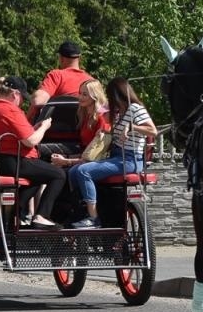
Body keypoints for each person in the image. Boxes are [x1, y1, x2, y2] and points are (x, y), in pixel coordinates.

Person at [66, 78, 159, 229]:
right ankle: (82, 211)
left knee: (83, 171)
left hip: (129, 159)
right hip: (117, 156)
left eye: (110, 95)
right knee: (73, 171)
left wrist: (131, 126)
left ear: (117, 94)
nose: (109, 99)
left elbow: (152, 130)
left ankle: (93, 218)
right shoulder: (118, 113)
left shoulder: (135, 109)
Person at [0, 75, 64, 227]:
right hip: (14, 161)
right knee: (58, 174)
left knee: (38, 177)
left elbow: (21, 134)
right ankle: (41, 215)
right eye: (22, 98)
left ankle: (14, 214)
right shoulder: (9, 109)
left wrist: (33, 129)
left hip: (1, 160)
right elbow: (30, 141)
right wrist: (44, 127)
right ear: (15, 94)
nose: (22, 102)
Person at [42, 80, 110, 162]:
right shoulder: (85, 116)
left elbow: (93, 156)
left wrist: (66, 161)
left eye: (85, 95)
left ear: (94, 96)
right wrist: (66, 157)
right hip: (83, 158)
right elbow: (84, 152)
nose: (80, 97)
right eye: (80, 93)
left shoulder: (101, 119)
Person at [30, 40, 93, 115]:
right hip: (82, 125)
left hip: (56, 124)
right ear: (80, 58)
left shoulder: (56, 75)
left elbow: (38, 101)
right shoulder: (91, 82)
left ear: (61, 59)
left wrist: (38, 91)